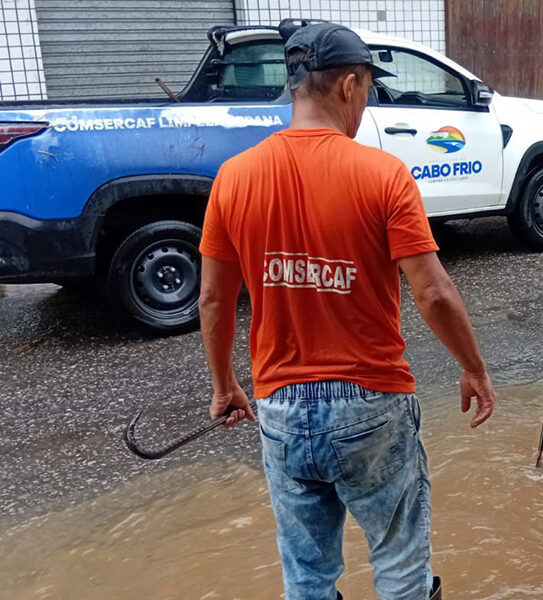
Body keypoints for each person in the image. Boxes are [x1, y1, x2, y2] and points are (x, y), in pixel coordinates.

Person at [198, 23, 495, 600]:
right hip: (372, 406)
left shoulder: (233, 179)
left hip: (279, 405)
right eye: (368, 90)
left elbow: (212, 299)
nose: (367, 102)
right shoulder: (383, 175)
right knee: (400, 565)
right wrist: (474, 369)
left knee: (307, 578)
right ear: (349, 85)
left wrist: (224, 385)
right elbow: (432, 293)